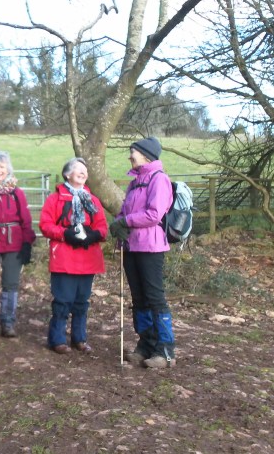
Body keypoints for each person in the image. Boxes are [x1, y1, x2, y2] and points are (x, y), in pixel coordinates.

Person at [109, 137, 177, 368]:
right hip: (131, 247)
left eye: (133, 152)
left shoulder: (159, 180)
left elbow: (154, 214)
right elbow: (124, 210)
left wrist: (125, 221)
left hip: (151, 247)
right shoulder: (135, 182)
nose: (130, 156)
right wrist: (118, 223)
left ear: (146, 155)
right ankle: (145, 344)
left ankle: (165, 350)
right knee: (139, 299)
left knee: (154, 298)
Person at [39, 158, 107, 354]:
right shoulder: (55, 199)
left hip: (88, 257)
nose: (83, 173)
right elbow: (46, 224)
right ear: (67, 174)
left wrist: (94, 234)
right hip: (64, 257)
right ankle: (57, 339)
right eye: (78, 169)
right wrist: (64, 234)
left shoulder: (93, 201)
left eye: (85, 170)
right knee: (63, 300)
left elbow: (102, 226)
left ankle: (80, 338)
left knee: (82, 301)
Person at [0, 151, 36, 338]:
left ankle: (8, 322)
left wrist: (28, 243)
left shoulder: (16, 192)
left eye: (2, 167)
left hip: (14, 242)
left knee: (11, 284)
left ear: (8, 169)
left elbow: (26, 220)